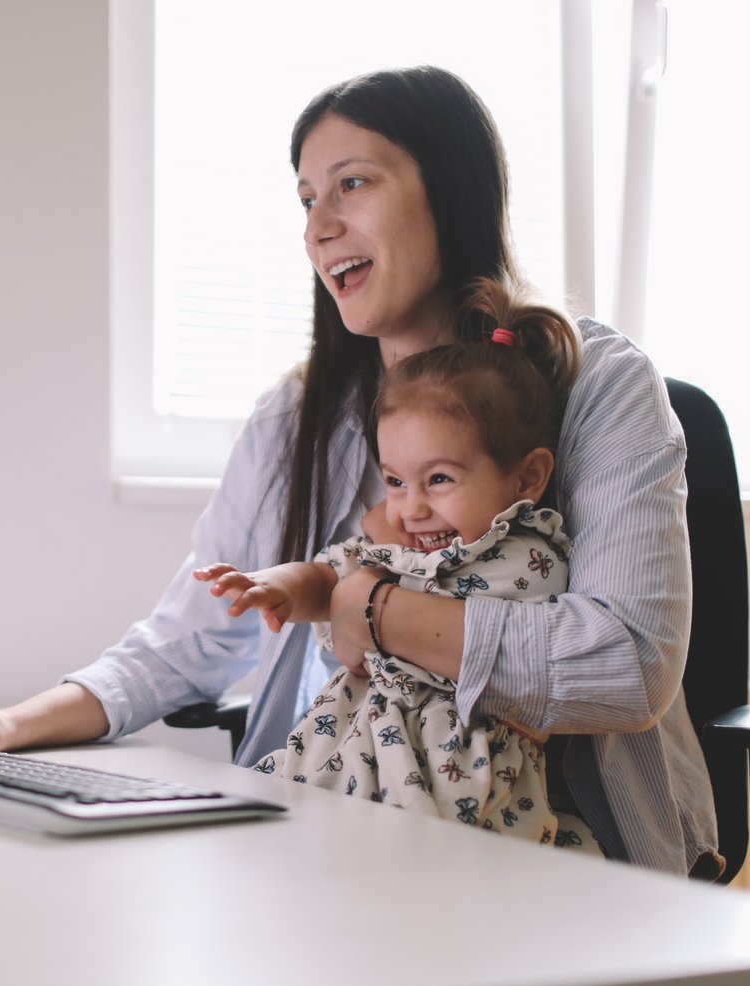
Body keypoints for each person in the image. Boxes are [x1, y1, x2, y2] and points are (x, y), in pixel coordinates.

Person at [0, 66, 721, 878]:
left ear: (449, 191)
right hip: (329, 829)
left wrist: (369, 608)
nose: (317, 227)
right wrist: (9, 723)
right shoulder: (297, 415)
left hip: (550, 856)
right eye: (306, 198)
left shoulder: (595, 383)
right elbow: (191, 634)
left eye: (352, 183)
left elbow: (628, 667)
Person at [193, 279, 594, 850]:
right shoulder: (407, 545)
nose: (412, 508)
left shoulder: (530, 559)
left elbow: (512, 660)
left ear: (527, 477)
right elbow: (331, 577)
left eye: (440, 480)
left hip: (454, 775)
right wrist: (276, 585)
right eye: (397, 481)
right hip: (346, 752)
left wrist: (370, 595)